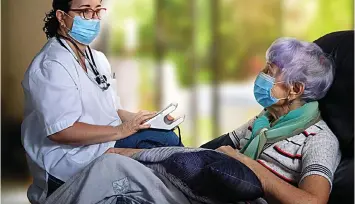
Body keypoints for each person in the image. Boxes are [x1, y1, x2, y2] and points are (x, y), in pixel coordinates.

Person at [21, 0, 181, 203]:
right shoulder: (51, 64)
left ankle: (207, 171)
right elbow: (61, 131)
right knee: (164, 151)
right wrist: (122, 131)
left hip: (101, 141)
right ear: (61, 17)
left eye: (98, 11)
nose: (94, 18)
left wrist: (147, 119)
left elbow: (113, 109)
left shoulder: (97, 59)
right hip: (65, 162)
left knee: (164, 136)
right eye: (86, 11)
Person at [200, 37, 341, 203]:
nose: (261, 76)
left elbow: (314, 201)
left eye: (269, 72)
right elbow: (212, 149)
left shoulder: (319, 139)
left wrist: (245, 163)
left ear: (295, 89)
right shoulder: (264, 119)